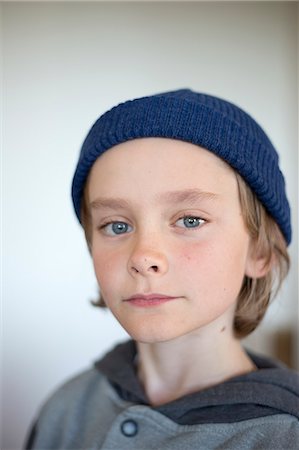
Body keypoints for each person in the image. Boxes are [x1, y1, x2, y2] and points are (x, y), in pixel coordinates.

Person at [26, 89, 298, 449]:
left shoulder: (284, 436)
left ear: (260, 251)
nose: (143, 256)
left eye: (189, 220)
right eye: (117, 226)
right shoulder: (66, 410)